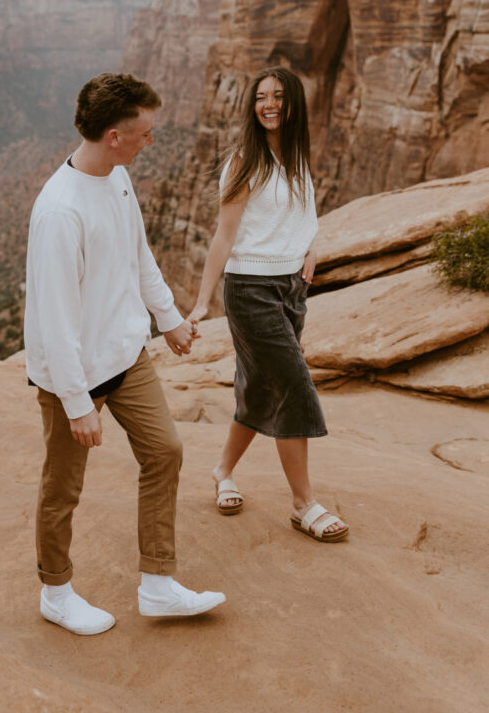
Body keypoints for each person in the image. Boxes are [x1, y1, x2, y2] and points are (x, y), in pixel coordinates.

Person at [24, 72, 226, 635]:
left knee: (165, 451)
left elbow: (139, 254)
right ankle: (56, 593)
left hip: (125, 356)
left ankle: (158, 585)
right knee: (63, 487)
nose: (151, 141)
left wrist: (168, 320)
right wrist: (76, 402)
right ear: (114, 135)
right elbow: (55, 322)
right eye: (145, 132)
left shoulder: (115, 176)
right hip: (76, 376)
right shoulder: (60, 213)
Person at [187, 66, 348, 542]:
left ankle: (222, 471)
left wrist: (309, 247)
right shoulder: (245, 161)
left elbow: (300, 215)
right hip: (251, 291)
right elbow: (224, 234)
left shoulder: (296, 156)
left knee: (258, 390)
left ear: (294, 103)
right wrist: (200, 302)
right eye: (261, 97)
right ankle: (303, 504)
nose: (269, 104)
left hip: (291, 289)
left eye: (278, 96)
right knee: (294, 386)